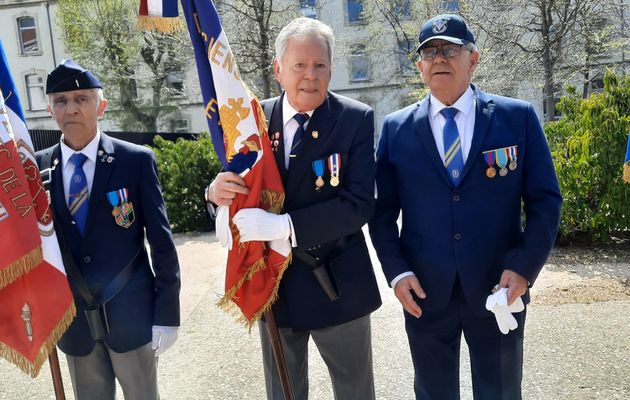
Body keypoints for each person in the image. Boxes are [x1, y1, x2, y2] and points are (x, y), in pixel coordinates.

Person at [368, 14, 562, 400]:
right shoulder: (395, 129)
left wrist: (523, 268)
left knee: (502, 392)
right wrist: (397, 272)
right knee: (433, 392)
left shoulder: (516, 118)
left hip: (499, 287)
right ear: (420, 67)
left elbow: (545, 200)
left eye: (450, 49)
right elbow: (382, 212)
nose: (440, 58)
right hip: (424, 291)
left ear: (472, 59)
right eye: (430, 51)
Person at [206, 17, 381, 400]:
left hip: (336, 283)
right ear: (278, 69)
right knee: (284, 393)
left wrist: (286, 226)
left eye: (320, 65)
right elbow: (238, 187)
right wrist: (214, 192)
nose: (310, 75)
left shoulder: (354, 119)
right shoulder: (251, 121)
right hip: (276, 285)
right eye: (300, 65)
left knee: (355, 392)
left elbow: (359, 204)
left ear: (331, 69)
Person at [36, 59, 181, 400]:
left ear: (100, 106)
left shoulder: (135, 160)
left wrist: (168, 314)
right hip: (74, 323)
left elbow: (161, 243)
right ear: (50, 110)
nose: (71, 108)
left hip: (131, 316)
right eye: (61, 101)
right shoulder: (37, 168)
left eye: (81, 99)